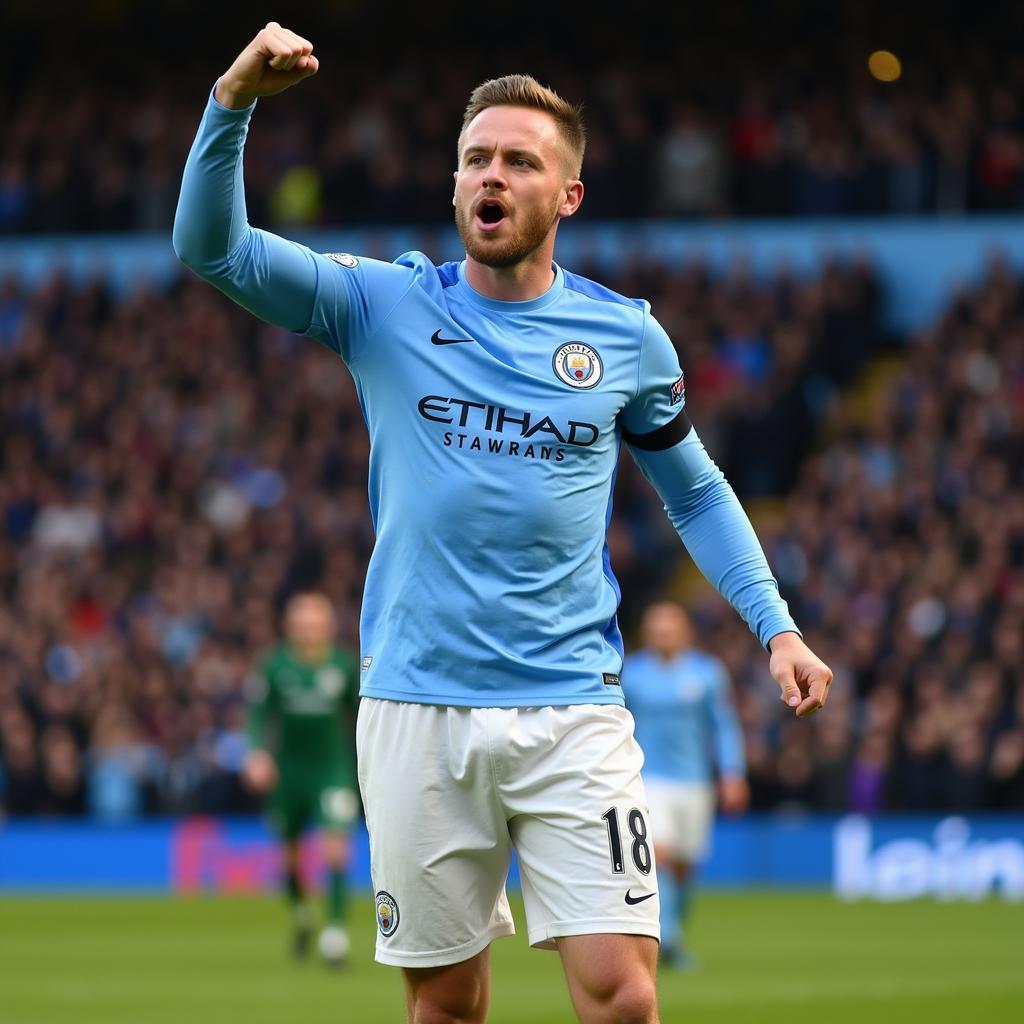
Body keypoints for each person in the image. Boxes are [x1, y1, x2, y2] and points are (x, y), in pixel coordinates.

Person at [174, 22, 833, 1023]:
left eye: (520, 161)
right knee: (447, 1007)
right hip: (415, 710)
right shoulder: (381, 306)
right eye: (476, 158)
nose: (494, 175)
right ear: (453, 186)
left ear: (565, 194)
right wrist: (232, 102)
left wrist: (775, 625)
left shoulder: (624, 337)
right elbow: (210, 249)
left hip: (572, 706)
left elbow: (693, 489)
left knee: (621, 997)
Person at [624, 601, 749, 970]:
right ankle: (669, 937)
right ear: (647, 632)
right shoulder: (631, 673)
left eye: (670, 626)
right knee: (657, 854)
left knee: (684, 865)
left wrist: (732, 772)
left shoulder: (707, 673)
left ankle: (675, 927)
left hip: (695, 781)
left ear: (684, 631)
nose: (663, 633)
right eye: (657, 626)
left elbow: (723, 724)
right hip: (648, 778)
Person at [243, 592, 359, 967]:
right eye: (302, 625)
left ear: (328, 627)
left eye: (315, 624)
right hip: (288, 773)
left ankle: (336, 933)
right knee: (290, 857)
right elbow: (259, 715)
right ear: (290, 628)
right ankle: (302, 914)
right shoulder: (274, 667)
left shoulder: (343, 666)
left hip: (331, 770)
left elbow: (360, 718)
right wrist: (257, 753)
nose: (309, 632)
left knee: (335, 847)